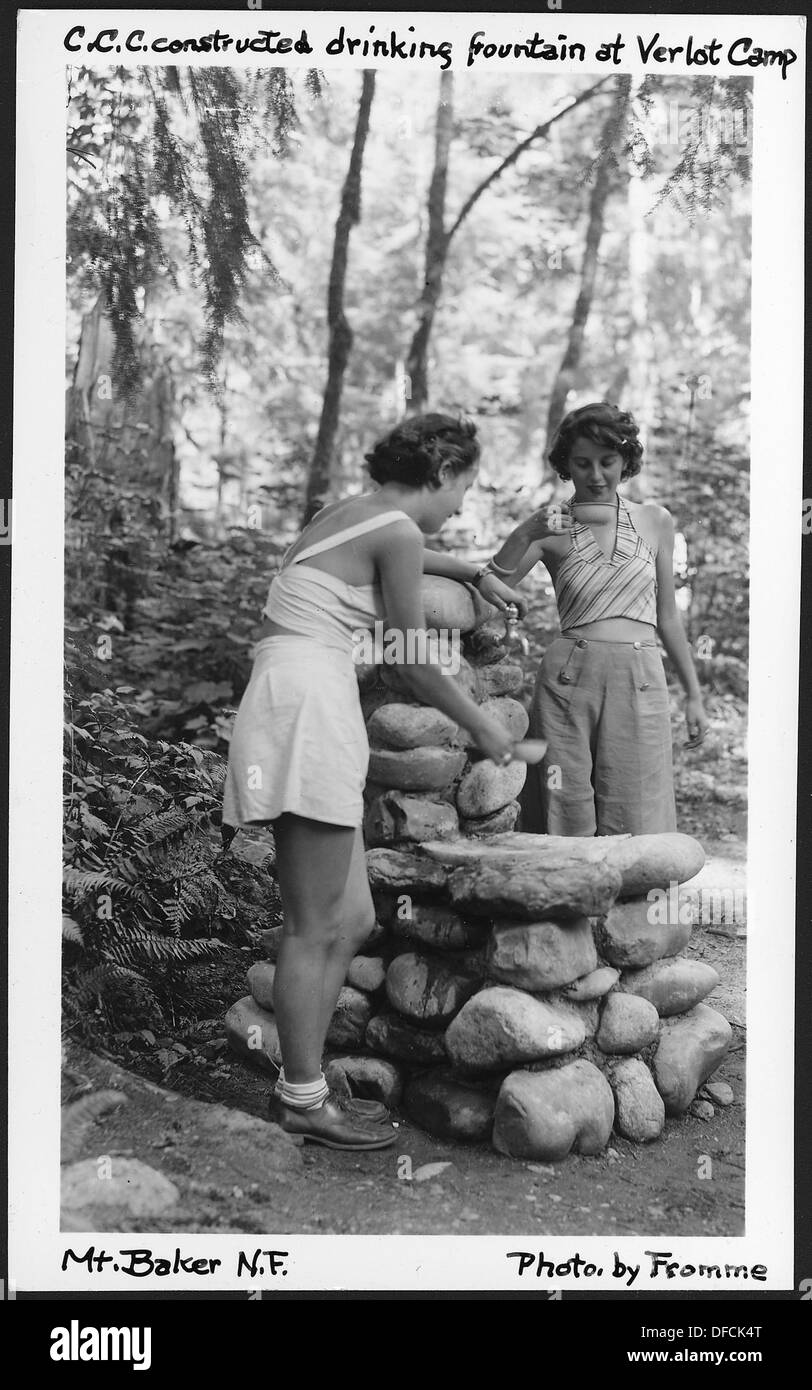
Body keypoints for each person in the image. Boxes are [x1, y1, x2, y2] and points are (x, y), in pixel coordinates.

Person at [223, 414, 526, 1150]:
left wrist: (471, 570)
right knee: (314, 924)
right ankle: (302, 1096)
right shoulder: (397, 531)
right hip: (308, 704)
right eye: (463, 488)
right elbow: (414, 656)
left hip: (291, 695)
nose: (460, 504)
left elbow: (414, 557)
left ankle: (306, 1085)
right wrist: (481, 726)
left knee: (351, 917)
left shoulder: (349, 514)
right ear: (444, 472)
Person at [480, 401, 708, 837]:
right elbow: (492, 581)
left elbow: (668, 618)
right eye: (582, 464)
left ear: (626, 461)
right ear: (567, 465)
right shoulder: (551, 525)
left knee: (637, 811)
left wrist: (693, 696)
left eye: (607, 462)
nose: (596, 475)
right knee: (564, 804)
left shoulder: (655, 520)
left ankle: (631, 906)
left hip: (641, 676)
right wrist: (526, 531)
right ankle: (566, 903)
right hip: (569, 680)